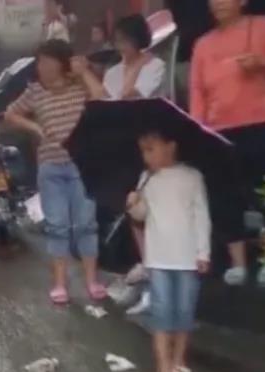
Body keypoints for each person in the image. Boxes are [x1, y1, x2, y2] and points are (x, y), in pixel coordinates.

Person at [190, 0, 265, 286]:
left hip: (261, 124)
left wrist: (262, 62)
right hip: (218, 131)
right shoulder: (202, 44)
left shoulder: (262, 26)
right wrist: (197, 130)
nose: (218, 3)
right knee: (224, 197)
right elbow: (197, 92)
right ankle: (237, 263)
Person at [78, 14, 169, 313]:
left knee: (152, 209)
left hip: (151, 147)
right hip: (123, 148)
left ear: (138, 39)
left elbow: (131, 97)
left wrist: (137, 65)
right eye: (117, 41)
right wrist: (89, 74)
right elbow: (105, 101)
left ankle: (159, 278)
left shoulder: (155, 65)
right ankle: (148, 272)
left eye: (126, 40)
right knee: (133, 208)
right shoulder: (115, 70)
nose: (121, 46)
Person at [5, 40, 105, 304]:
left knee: (86, 224)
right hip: (50, 166)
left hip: (82, 166)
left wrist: (84, 72)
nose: (42, 67)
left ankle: (92, 281)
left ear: (62, 63)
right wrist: (35, 128)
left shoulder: (79, 85)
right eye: (40, 62)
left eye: (47, 61)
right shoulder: (35, 91)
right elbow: (11, 114)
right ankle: (60, 284)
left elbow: (103, 98)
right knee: (57, 226)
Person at [127, 127, 211, 372]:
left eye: (151, 149)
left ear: (171, 147)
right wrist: (133, 203)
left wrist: (203, 252)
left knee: (184, 312)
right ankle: (163, 370)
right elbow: (141, 215)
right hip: (159, 257)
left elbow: (201, 215)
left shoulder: (192, 177)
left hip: (187, 257)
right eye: (143, 151)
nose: (146, 156)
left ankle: (178, 364)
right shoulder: (146, 179)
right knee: (162, 313)